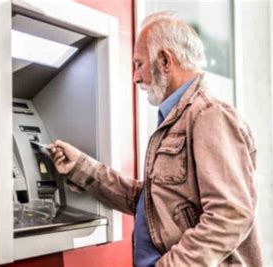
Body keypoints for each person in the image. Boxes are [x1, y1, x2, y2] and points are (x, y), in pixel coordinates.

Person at [49, 12, 261, 267]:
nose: (136, 77)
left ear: (164, 60)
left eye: (139, 64)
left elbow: (230, 214)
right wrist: (81, 167)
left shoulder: (208, 116)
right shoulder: (177, 118)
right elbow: (150, 201)